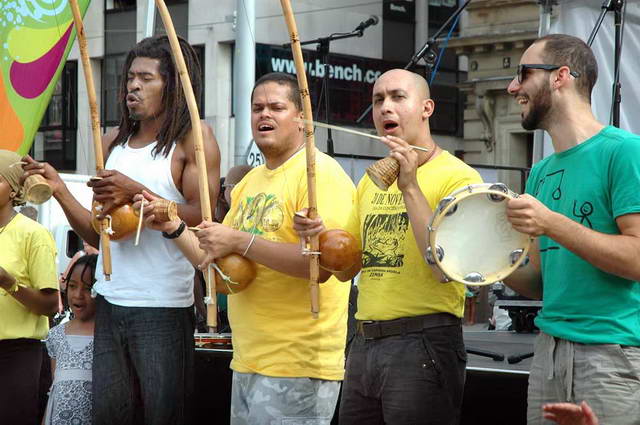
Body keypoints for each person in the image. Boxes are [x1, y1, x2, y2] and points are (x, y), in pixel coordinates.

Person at [137, 72, 357, 424]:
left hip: (297, 363)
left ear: (302, 118)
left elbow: (321, 267)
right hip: (247, 358)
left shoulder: (321, 175)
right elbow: (216, 264)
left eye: (276, 107)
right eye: (257, 108)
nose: (264, 114)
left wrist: (241, 240)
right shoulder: (248, 183)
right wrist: (173, 226)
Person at [23, 35, 220, 425]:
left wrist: (135, 191)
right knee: (110, 415)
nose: (133, 86)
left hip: (164, 306)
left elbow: (202, 217)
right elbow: (100, 235)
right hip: (110, 303)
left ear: (172, 84)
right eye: (130, 77)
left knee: (163, 416)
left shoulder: (193, 139)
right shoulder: (112, 142)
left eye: (146, 78)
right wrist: (60, 189)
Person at [295, 69, 482, 424]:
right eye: (378, 99)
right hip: (364, 340)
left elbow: (444, 268)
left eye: (398, 97)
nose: (385, 107)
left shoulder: (458, 176)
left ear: (426, 108)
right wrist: (316, 236)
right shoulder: (370, 182)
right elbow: (346, 268)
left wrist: (410, 186)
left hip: (423, 340)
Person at [504, 34, 640, 424]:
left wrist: (551, 222)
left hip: (611, 355)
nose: (513, 87)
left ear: (560, 76)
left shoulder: (625, 151)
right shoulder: (540, 172)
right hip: (547, 351)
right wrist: (476, 262)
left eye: (523, 73)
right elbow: (540, 284)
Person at [0, 149, 59, 425]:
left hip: (16, 353)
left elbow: (51, 305)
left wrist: (9, 283)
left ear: (14, 189)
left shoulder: (34, 234)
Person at [43, 254, 98, 425]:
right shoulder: (56, 335)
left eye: (88, 288)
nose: (78, 295)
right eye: (73, 286)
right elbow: (55, 387)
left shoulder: (109, 336)